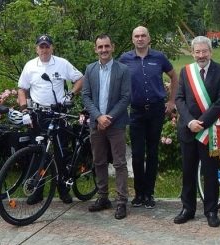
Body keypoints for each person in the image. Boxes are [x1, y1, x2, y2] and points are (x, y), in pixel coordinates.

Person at [17, 34, 84, 204]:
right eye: (41, 46)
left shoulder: (62, 63)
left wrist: (70, 95)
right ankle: (37, 192)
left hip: (57, 114)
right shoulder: (30, 65)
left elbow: (80, 79)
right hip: (38, 115)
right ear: (36, 48)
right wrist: (24, 111)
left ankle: (63, 190)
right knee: (37, 152)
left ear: (52, 48)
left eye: (47, 46)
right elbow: (21, 89)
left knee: (61, 153)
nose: (44, 50)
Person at [119, 26, 178, 209]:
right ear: (132, 39)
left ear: (149, 38)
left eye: (143, 35)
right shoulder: (125, 59)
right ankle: (138, 193)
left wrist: (171, 101)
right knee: (137, 154)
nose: (140, 38)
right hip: (136, 111)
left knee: (152, 153)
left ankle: (149, 194)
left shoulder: (159, 57)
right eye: (137, 36)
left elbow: (174, 77)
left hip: (156, 110)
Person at [174, 36, 220, 227]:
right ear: (192, 53)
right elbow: (179, 99)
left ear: (210, 52)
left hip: (209, 130)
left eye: (204, 51)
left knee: (210, 173)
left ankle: (211, 210)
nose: (201, 55)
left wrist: (202, 123)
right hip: (188, 130)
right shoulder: (186, 72)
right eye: (197, 52)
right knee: (188, 172)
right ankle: (187, 209)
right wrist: (190, 122)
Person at [82, 34, 131, 220]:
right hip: (96, 123)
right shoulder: (90, 69)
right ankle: (103, 197)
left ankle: (121, 201)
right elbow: (85, 96)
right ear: (96, 49)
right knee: (99, 161)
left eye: (107, 46)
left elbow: (126, 97)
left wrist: (108, 117)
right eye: (100, 47)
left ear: (113, 47)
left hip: (115, 123)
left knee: (119, 163)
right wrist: (98, 116)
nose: (104, 50)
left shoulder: (123, 70)